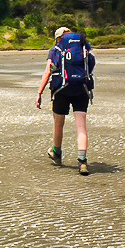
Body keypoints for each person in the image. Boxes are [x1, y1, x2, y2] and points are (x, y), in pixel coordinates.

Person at [35, 26, 94, 175]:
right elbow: (91, 65)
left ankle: (57, 152)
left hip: (61, 89)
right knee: (81, 126)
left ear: (58, 38)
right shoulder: (82, 48)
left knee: (58, 123)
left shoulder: (56, 49)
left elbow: (48, 71)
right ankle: (82, 161)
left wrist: (39, 93)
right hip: (81, 88)